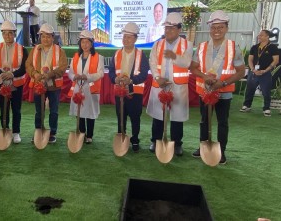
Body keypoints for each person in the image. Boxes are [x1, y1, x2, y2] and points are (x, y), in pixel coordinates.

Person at [189, 10, 245, 164]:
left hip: (224, 92)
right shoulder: (201, 47)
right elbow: (193, 68)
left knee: (222, 122)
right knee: (204, 120)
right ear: (210, 29)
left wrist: (224, 83)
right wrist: (204, 77)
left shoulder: (234, 47)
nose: (216, 31)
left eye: (220, 27)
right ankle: (203, 147)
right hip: (204, 92)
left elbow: (241, 72)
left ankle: (221, 151)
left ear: (226, 28)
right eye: (214, 27)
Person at [146, 13, 193, 156]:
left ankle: (177, 143)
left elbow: (186, 63)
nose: (168, 31)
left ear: (179, 30)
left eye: (171, 28)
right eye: (166, 28)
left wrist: (174, 56)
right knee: (158, 115)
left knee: (177, 117)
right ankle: (156, 140)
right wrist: (157, 77)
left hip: (177, 86)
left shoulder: (187, 44)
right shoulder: (157, 44)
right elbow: (152, 62)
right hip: (159, 85)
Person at [109, 22, 149, 152]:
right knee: (120, 116)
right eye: (124, 36)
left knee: (135, 117)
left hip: (134, 93)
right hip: (119, 92)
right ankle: (122, 137)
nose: (125, 39)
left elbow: (143, 74)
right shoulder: (116, 54)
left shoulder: (141, 55)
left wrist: (131, 80)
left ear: (135, 39)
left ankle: (135, 140)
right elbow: (110, 72)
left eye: (129, 37)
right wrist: (115, 79)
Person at [25, 23, 67, 144]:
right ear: (40, 37)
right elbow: (28, 65)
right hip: (38, 84)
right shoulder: (35, 50)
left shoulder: (59, 51)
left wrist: (50, 74)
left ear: (53, 37)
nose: (45, 39)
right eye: (43, 36)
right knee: (39, 110)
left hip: (54, 86)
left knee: (53, 110)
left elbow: (63, 67)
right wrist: (35, 74)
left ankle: (52, 132)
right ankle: (39, 130)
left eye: (48, 36)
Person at [0, 21, 27, 144]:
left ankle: (16, 132)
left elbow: (24, 67)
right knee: (3, 109)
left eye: (10, 33)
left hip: (16, 84)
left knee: (16, 109)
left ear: (15, 34)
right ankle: (5, 129)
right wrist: (1, 74)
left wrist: (12, 74)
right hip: (1, 83)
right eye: (4, 33)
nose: (7, 36)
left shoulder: (21, 49)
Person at [68, 30, 104, 144]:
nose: (85, 45)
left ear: (92, 43)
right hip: (78, 88)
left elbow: (100, 73)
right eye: (83, 42)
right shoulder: (76, 57)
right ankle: (82, 132)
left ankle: (89, 135)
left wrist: (87, 77)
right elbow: (70, 72)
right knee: (80, 112)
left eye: (87, 42)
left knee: (90, 113)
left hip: (91, 89)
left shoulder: (98, 57)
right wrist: (74, 76)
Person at [240, 30, 279, 116]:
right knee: (250, 89)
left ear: (267, 36)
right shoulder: (254, 47)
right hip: (253, 72)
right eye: (259, 35)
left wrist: (266, 70)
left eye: (261, 35)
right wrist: (253, 69)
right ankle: (247, 105)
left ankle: (266, 108)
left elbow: (276, 60)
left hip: (265, 73)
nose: (259, 36)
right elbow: (250, 59)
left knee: (266, 91)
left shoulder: (273, 47)